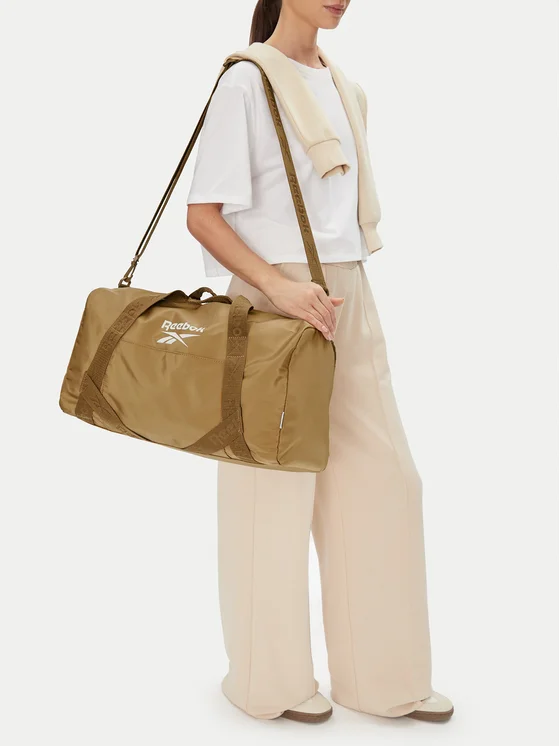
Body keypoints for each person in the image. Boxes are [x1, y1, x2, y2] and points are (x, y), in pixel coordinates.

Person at [186, 0, 453, 725]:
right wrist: (277, 288)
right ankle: (265, 682)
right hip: (274, 297)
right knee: (269, 492)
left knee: (385, 480)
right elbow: (203, 214)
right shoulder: (247, 80)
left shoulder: (345, 86)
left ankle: (382, 678)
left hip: (348, 293)